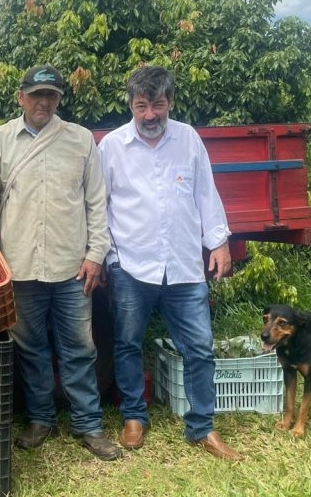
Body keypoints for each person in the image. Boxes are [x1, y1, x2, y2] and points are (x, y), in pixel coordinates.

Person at [98, 65, 243, 460]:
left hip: (182, 267)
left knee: (199, 347)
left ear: (170, 103)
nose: (150, 115)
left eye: (157, 105)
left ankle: (202, 427)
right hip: (131, 265)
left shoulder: (189, 139)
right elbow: (99, 207)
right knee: (127, 344)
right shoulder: (111, 147)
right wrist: (110, 258)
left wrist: (219, 244)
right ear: (130, 104)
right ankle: (134, 417)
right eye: (141, 105)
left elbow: (206, 194)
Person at [0, 64, 121, 461]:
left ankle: (89, 425)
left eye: (51, 96)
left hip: (71, 266)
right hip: (19, 266)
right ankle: (41, 419)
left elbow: (97, 201)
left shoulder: (79, 140)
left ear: (59, 99)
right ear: (21, 97)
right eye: (36, 94)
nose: (43, 102)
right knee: (31, 349)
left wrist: (96, 255)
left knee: (80, 347)